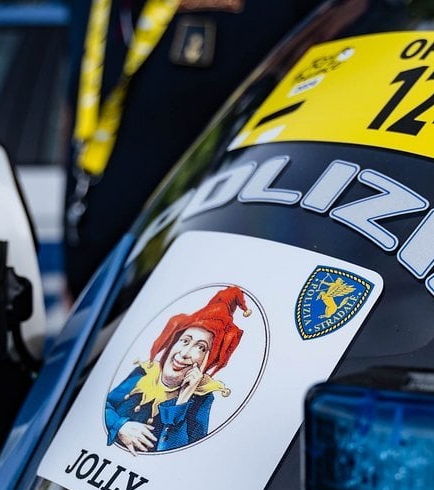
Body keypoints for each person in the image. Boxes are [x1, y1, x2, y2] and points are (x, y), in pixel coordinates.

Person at [65, 0, 327, 297]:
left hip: (221, 256)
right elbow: (76, 115)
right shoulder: (93, 8)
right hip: (101, 264)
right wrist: (74, 262)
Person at [105, 284, 250, 452]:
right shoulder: (145, 372)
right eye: (185, 340)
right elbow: (104, 405)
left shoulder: (201, 400)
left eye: (201, 347)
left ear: (207, 361)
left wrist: (182, 401)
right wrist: (120, 426)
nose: (185, 353)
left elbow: (175, 454)